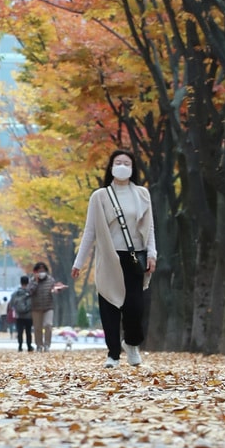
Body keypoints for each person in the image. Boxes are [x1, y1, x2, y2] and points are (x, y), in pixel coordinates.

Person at [72, 150, 157, 367]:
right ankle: (113, 354)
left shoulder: (142, 194)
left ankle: (131, 343)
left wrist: (152, 254)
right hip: (109, 257)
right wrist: (78, 262)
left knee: (135, 307)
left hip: (135, 257)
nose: (121, 166)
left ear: (132, 168)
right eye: (117, 162)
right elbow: (90, 231)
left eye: (126, 163)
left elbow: (149, 228)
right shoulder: (99, 196)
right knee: (109, 305)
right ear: (111, 167)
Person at [27, 262, 68, 353]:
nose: (41, 272)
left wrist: (58, 289)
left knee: (48, 325)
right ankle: (39, 345)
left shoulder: (50, 280)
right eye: (39, 271)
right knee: (37, 328)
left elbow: (54, 289)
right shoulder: (32, 281)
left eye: (43, 270)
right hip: (36, 308)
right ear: (36, 272)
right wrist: (36, 282)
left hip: (48, 306)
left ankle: (47, 344)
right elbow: (29, 292)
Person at [9, 274, 35, 352]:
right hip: (29, 316)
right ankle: (29, 346)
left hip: (19, 315)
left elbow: (11, 304)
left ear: (20, 282)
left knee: (20, 331)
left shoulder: (16, 293)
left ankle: (20, 346)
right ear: (28, 282)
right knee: (28, 331)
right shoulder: (30, 293)